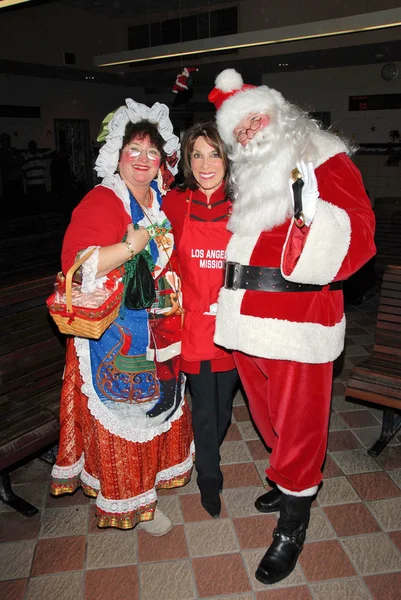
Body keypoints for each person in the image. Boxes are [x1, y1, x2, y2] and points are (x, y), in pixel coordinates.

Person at [208, 70, 376, 583]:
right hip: (245, 321)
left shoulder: (323, 155)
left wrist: (312, 217)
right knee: (265, 414)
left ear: (279, 114)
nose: (248, 133)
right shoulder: (253, 175)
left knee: (299, 424)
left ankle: (294, 520)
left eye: (254, 119)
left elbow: (361, 237)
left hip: (297, 321)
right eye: (237, 130)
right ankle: (285, 479)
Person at [50, 99, 194, 535]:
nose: (143, 160)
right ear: (117, 154)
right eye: (135, 150)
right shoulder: (102, 200)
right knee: (127, 416)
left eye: (152, 152)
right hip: (118, 337)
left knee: (158, 409)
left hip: (162, 330)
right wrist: (131, 246)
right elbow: (78, 263)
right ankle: (130, 500)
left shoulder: (159, 199)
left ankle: (149, 485)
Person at [163, 122, 238, 518]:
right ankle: (209, 476)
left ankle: (205, 448)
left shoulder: (245, 204)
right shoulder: (175, 204)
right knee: (204, 409)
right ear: (188, 161)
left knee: (224, 408)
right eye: (197, 155)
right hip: (192, 324)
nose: (205, 164)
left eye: (214, 154)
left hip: (232, 326)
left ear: (227, 159)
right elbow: (159, 254)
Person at [22, 140, 47, 210]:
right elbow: (23, 169)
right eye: (31, 145)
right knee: (32, 204)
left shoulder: (40, 156)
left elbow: (44, 167)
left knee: (42, 203)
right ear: (29, 147)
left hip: (41, 183)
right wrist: (28, 178)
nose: (33, 147)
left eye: (34, 145)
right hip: (31, 185)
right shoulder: (26, 157)